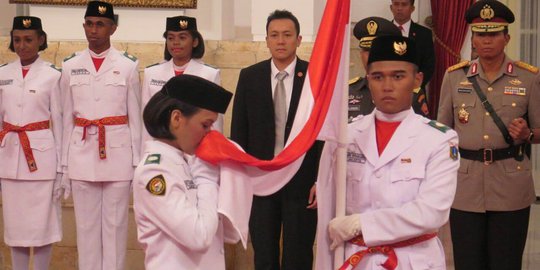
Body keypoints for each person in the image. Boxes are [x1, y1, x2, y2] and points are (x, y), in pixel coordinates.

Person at [325, 35, 459, 269]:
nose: (387, 86)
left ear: (417, 80)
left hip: (412, 259)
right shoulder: (347, 136)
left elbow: (431, 213)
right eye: (377, 77)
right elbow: (331, 204)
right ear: (368, 79)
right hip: (357, 259)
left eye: (398, 76)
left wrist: (361, 224)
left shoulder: (439, 139)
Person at [437, 1, 540, 269]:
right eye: (480, 34)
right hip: (465, 187)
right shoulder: (454, 77)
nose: (486, 41)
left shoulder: (529, 78)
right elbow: (441, 133)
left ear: (506, 37)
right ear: (473, 38)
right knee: (468, 262)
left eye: (493, 34)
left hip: (510, 186)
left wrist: (528, 134)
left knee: (506, 262)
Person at [230, 9, 323, 270]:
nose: (280, 41)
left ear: (299, 39)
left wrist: (319, 178)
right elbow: (239, 131)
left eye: (287, 35)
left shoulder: (314, 77)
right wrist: (241, 178)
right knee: (265, 255)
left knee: (299, 254)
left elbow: (322, 134)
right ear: (267, 40)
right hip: (260, 182)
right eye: (274, 35)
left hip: (301, 182)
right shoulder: (250, 77)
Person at [60, 1, 141, 269]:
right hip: (81, 156)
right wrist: (64, 166)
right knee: (86, 227)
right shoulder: (71, 65)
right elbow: (65, 119)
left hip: (118, 157)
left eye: (100, 24)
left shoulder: (128, 66)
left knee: (116, 227)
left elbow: (136, 119)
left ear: (113, 28)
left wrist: (136, 162)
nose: (93, 30)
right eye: (89, 24)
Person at [133, 74, 232, 269]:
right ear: (177, 118)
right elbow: (199, 236)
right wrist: (207, 178)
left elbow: (227, 233)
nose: (209, 134)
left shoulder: (183, 162)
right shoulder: (154, 172)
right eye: (205, 125)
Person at [0, 16, 62, 270]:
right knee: (16, 228)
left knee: (42, 227)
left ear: (41, 40)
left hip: (41, 161)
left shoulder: (52, 75)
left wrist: (61, 170)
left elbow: (59, 123)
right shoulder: (2, 73)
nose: (22, 45)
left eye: (28, 39)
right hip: (9, 159)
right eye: (17, 40)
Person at [142, 15, 223, 144]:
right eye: (170, 38)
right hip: (162, 147)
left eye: (182, 37)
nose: (175, 43)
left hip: (196, 148)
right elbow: (147, 120)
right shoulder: (152, 73)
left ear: (195, 42)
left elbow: (215, 124)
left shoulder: (209, 74)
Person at [349, 16, 401, 120]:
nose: (372, 56)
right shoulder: (348, 91)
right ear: (361, 54)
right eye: (367, 51)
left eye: (378, 50)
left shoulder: (408, 92)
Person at [390, 0, 432, 116]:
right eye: (396, 4)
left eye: (404, 4)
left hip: (414, 93)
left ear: (412, 8)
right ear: (391, 7)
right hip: (388, 91)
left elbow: (429, 66)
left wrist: (412, 85)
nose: (399, 8)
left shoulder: (424, 34)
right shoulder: (383, 33)